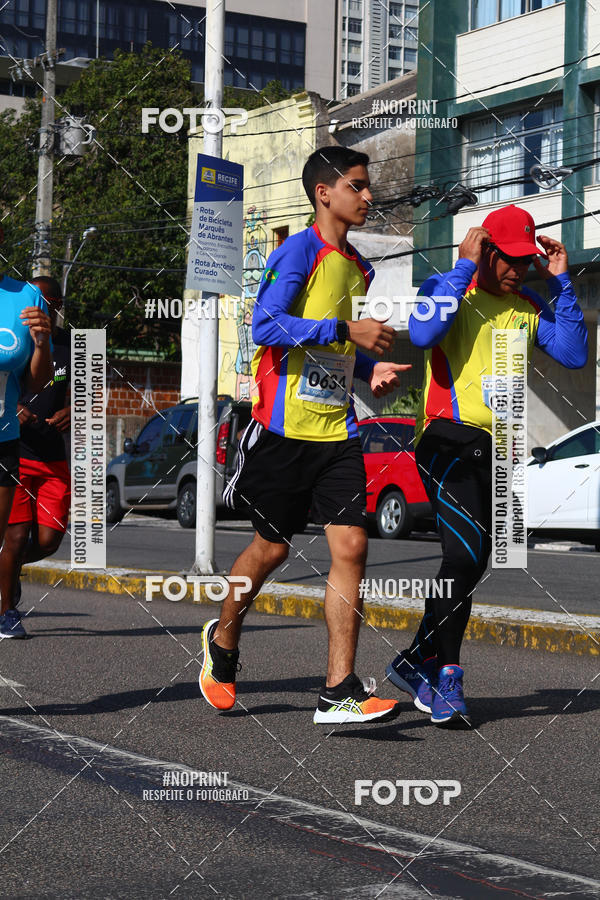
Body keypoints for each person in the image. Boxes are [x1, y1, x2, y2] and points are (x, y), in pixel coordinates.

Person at [199, 145, 411, 723]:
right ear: (324, 192)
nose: (368, 195)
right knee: (271, 549)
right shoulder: (299, 251)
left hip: (337, 432)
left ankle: (339, 689)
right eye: (357, 185)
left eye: (367, 186)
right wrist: (345, 327)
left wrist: (370, 370)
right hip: (283, 431)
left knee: (353, 546)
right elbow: (266, 324)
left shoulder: (360, 266)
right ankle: (223, 642)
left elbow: (335, 351)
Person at [385, 204, 588, 728]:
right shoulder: (448, 288)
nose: (517, 269)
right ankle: (447, 675)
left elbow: (572, 354)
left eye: (525, 260)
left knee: (476, 562)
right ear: (485, 250)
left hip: (499, 448)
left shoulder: (528, 304)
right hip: (447, 440)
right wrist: (462, 267)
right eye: (508, 258)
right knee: (464, 553)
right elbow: (423, 335)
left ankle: (415, 660)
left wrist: (561, 282)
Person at [0, 276, 70, 638]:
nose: (40, 308)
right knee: (14, 536)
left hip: (47, 454)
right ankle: (7, 609)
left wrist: (74, 410)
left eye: (49, 303)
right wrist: (15, 408)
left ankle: (7, 571)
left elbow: (91, 393)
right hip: (19, 448)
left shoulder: (74, 344)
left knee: (48, 541)